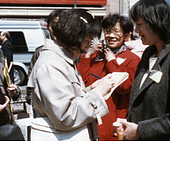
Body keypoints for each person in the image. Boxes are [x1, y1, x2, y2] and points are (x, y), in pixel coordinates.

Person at [118, 0, 170, 141]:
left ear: (156, 23)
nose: (136, 30)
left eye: (140, 24)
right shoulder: (149, 52)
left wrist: (140, 130)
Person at [27, 9, 116, 141]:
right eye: (89, 39)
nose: (89, 44)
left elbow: (68, 98)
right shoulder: (52, 63)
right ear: (76, 35)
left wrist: (90, 89)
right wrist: (97, 93)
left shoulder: (62, 60)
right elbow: (65, 116)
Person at [77, 13, 141, 140]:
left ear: (127, 35)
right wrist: (88, 56)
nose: (110, 36)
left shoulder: (133, 59)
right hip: (90, 119)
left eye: (116, 31)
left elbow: (124, 87)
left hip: (114, 122)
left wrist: (112, 62)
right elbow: (80, 83)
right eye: (107, 31)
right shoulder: (95, 57)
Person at [26, 9, 63, 106]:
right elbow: (31, 76)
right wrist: (31, 99)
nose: (56, 28)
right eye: (54, 24)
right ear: (48, 27)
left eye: (61, 24)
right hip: (42, 103)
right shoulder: (40, 52)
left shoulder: (73, 53)